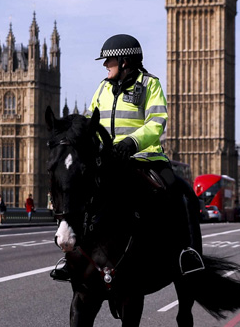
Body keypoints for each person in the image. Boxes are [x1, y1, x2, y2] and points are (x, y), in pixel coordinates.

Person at [52, 33, 203, 282]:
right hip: (108, 159)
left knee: (177, 191)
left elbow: (156, 122)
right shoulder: (103, 88)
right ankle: (72, 256)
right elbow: (91, 123)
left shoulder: (149, 85)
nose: (104, 66)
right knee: (78, 190)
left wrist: (132, 142)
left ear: (124, 62)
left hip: (145, 156)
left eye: (108, 62)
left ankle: (186, 253)